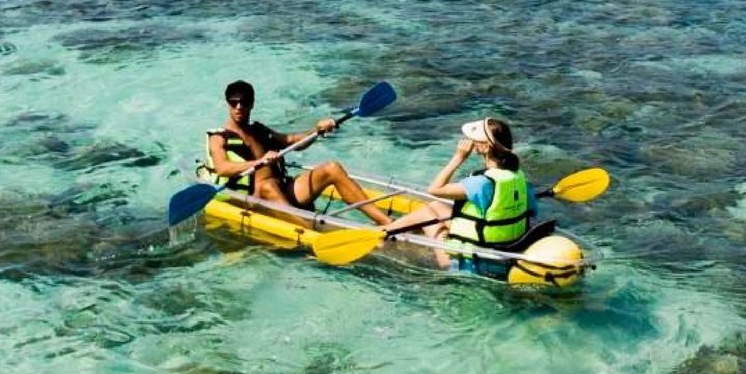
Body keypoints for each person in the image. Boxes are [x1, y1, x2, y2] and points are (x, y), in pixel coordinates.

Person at [205, 81, 396, 225]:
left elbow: (293, 141)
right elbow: (222, 168)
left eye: (244, 102)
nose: (239, 107)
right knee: (267, 186)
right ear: (228, 103)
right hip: (256, 200)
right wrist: (257, 162)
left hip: (284, 190)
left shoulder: (258, 129)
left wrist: (317, 130)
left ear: (252, 104)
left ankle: (387, 223)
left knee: (332, 168)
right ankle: (309, 230)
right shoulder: (219, 137)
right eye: (234, 102)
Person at [394, 117, 539, 265]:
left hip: (469, 260)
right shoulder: (518, 177)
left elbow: (434, 189)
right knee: (436, 206)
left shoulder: (481, 182)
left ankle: (383, 231)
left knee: (425, 213)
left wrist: (458, 157)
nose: (469, 141)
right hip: (506, 245)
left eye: (474, 139)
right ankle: (389, 226)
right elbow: (531, 211)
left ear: (486, 146)